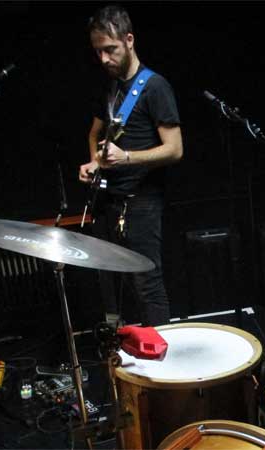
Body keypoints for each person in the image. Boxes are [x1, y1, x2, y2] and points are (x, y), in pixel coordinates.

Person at [79, 5, 183, 327]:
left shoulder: (154, 87)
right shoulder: (108, 86)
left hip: (143, 201)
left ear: (129, 40)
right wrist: (95, 163)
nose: (104, 59)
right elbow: (96, 133)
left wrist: (126, 157)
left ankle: (163, 361)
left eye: (110, 50)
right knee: (114, 284)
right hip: (110, 200)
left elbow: (175, 150)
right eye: (98, 52)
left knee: (147, 284)